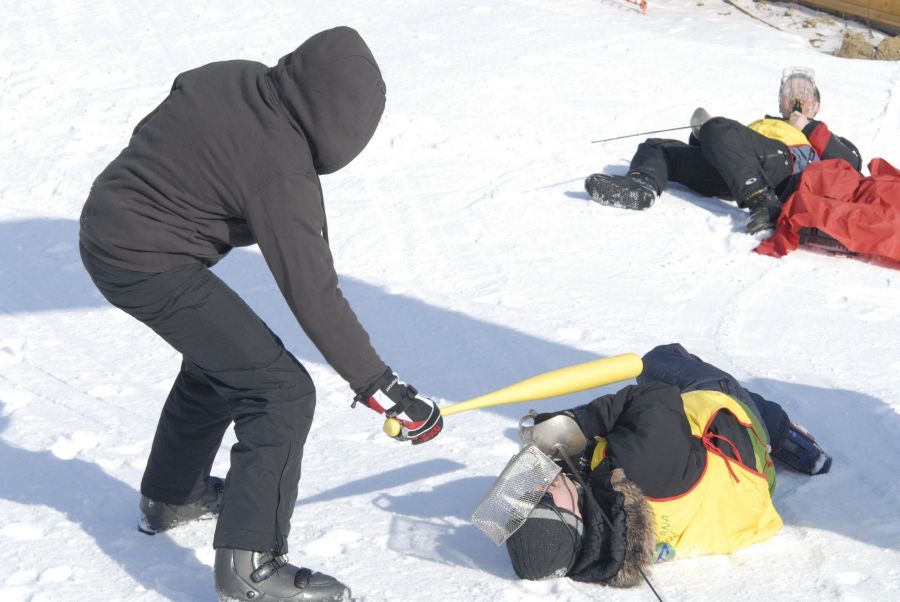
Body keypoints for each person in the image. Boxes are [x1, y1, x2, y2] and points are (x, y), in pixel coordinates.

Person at [79, 26, 443, 602]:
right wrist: (381, 386)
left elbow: (169, 113)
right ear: (341, 122)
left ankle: (173, 497)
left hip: (107, 223)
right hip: (146, 260)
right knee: (281, 391)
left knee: (223, 361)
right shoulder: (282, 171)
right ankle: (250, 568)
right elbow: (312, 290)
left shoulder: (235, 74)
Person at [503, 343, 832, 584]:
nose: (536, 487)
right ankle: (782, 430)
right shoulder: (638, 468)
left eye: (528, 495)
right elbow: (655, 396)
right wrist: (582, 419)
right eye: (542, 500)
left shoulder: (609, 544)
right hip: (742, 445)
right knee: (659, 362)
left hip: (734, 506)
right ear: (572, 519)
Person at [584, 68, 862, 235]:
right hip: (738, 175)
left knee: (720, 128)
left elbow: (852, 164)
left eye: (805, 94)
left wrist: (809, 127)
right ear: (781, 101)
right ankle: (642, 186)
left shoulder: (822, 134)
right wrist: (700, 137)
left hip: (784, 168)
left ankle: (762, 203)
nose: (796, 98)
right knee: (657, 146)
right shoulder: (762, 124)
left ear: (816, 106)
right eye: (790, 93)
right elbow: (726, 149)